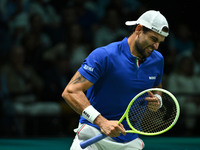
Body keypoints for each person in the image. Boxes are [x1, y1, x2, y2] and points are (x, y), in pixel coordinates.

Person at [62, 10, 169, 150]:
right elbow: (70, 92)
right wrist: (102, 122)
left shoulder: (157, 60)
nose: (156, 47)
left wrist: (157, 99)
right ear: (139, 29)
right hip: (93, 136)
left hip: (130, 141)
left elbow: (156, 86)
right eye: (153, 39)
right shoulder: (104, 55)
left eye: (160, 42)